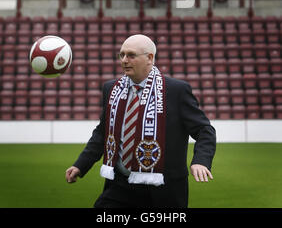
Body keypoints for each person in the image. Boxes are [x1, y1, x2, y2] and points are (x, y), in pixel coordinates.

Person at [65, 34, 216, 208]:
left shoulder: (176, 90)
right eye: (121, 55)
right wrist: (81, 165)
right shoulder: (111, 89)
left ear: (150, 58)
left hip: (164, 189)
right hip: (120, 185)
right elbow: (102, 133)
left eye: (131, 55)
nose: (124, 60)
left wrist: (200, 161)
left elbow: (205, 130)